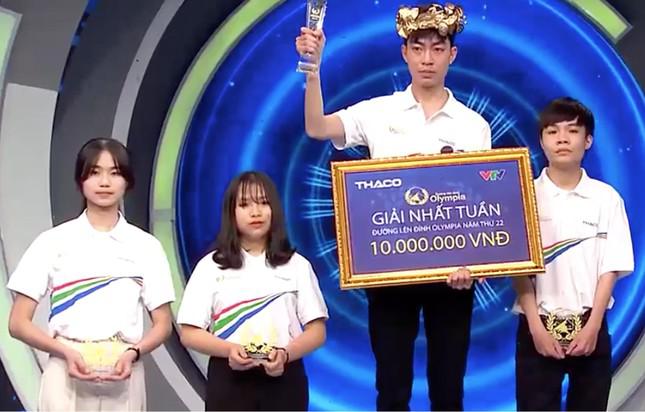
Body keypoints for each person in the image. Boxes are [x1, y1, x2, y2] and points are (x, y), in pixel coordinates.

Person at [296, 3, 490, 410]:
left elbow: (480, 202)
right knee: (391, 386)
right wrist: (312, 68)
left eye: (437, 49)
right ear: (404, 53)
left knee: (449, 388)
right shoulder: (377, 111)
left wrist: (473, 264)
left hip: (452, 273)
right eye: (418, 48)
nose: (427, 59)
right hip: (389, 267)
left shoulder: (474, 125)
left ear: (452, 54)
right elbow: (317, 127)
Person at [7, 137, 175, 410]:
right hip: (65, 371)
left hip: (124, 370)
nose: (104, 182)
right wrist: (65, 352)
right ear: (80, 180)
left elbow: (163, 324)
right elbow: (17, 323)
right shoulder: (53, 242)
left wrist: (133, 352)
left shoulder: (146, 246)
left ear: (128, 181)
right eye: (95, 173)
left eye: (115, 173)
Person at [512, 97, 634, 411]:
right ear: (542, 140)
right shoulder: (524, 196)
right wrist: (536, 329)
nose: (562, 139)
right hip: (536, 328)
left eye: (573, 131)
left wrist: (593, 327)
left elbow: (611, 268)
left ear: (588, 140)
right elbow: (518, 269)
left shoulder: (606, 199)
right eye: (553, 132)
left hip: (591, 326)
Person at [177, 171, 328, 411]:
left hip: (285, 378)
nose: (255, 212)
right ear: (231, 212)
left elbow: (317, 331)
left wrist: (285, 354)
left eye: (263, 203)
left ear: (274, 210)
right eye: (245, 204)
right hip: (229, 380)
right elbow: (189, 333)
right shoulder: (211, 266)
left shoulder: (297, 265)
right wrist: (230, 350)